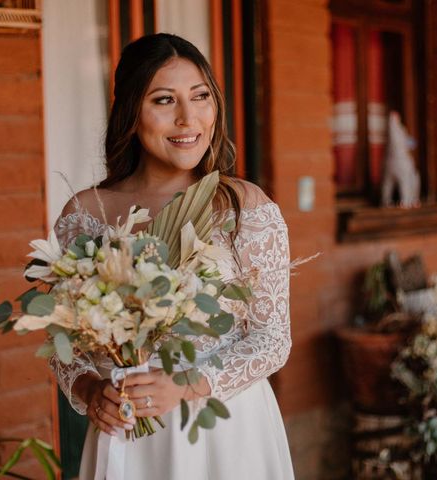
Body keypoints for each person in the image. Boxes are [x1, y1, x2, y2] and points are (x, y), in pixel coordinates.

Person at [51, 33, 294, 479]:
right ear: (130, 112)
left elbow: (272, 340)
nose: (188, 118)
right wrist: (90, 391)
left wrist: (185, 385)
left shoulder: (242, 207)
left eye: (200, 96)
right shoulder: (85, 216)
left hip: (224, 431)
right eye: (164, 100)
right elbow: (68, 348)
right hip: (128, 434)